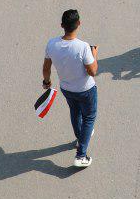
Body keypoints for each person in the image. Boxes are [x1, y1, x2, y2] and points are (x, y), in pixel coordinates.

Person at [42, 9, 99, 168]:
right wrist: (94, 54)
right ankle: (81, 155)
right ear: (79, 24)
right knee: (89, 118)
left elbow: (46, 68)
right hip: (86, 90)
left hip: (67, 88)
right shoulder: (83, 47)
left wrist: (47, 82)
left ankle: (80, 137)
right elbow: (93, 71)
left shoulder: (51, 44)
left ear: (62, 25)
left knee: (75, 112)